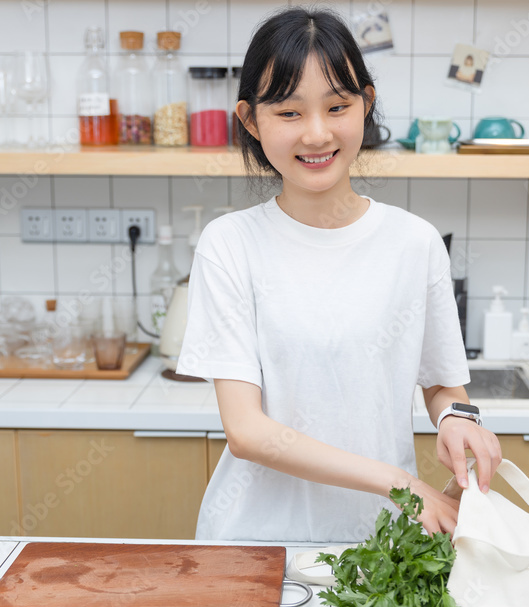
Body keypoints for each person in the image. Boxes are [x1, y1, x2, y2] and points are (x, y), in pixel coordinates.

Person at [176, 7, 501, 543]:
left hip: (379, 546)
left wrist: (457, 419)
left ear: (365, 106)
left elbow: (444, 383)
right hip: (255, 544)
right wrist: (401, 483)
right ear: (251, 120)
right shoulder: (230, 245)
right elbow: (247, 432)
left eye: (338, 106)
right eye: (288, 113)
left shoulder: (415, 243)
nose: (317, 133)